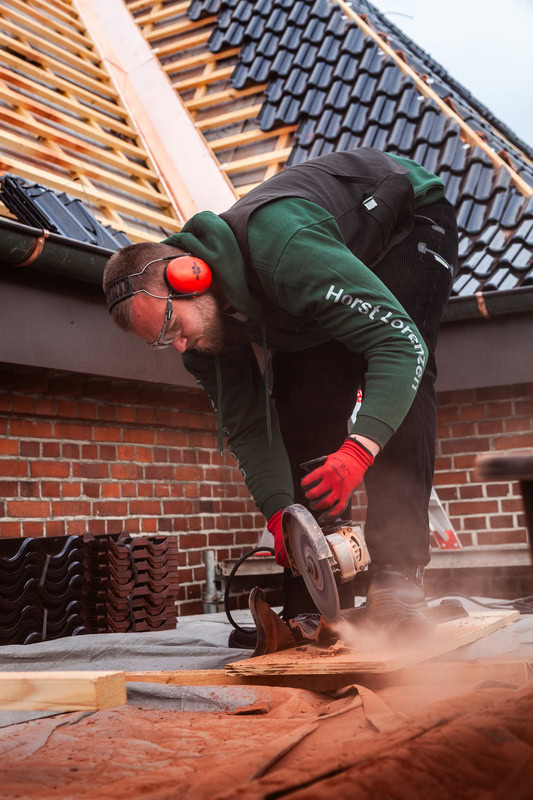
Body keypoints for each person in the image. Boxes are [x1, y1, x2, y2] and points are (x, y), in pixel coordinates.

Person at [103, 147, 458, 637]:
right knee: (300, 404)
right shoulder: (201, 334)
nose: (178, 345)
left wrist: (358, 450)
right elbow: (250, 425)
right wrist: (279, 516)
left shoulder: (281, 248)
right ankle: (314, 596)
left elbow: (400, 345)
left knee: (400, 378)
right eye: (162, 341)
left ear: (192, 276)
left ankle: (397, 582)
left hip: (405, 223)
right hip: (318, 272)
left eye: (170, 325)